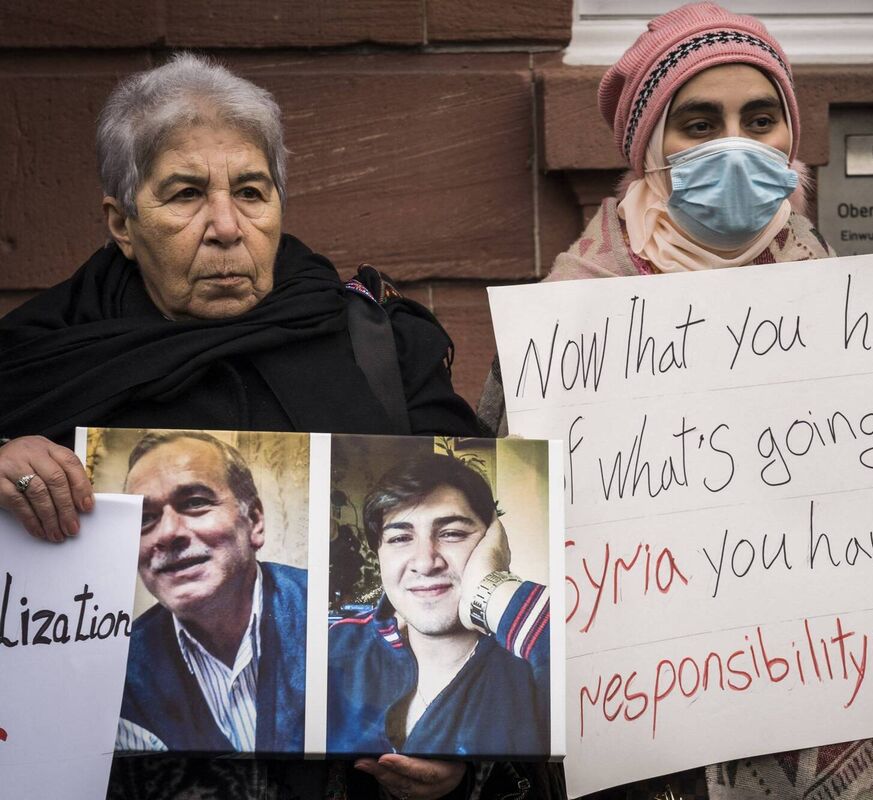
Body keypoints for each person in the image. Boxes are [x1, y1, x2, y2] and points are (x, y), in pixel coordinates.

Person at [477, 4, 873, 799]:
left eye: (761, 118)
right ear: (649, 146)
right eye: (697, 123)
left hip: (866, 720)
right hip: (664, 748)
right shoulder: (563, 331)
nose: (737, 144)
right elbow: (512, 549)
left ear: (791, 135)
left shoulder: (868, 313)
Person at [0, 53, 519, 800]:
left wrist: (459, 751)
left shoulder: (373, 342)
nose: (225, 227)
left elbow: (465, 585)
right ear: (121, 220)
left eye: (251, 192)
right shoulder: (39, 360)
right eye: (184, 195)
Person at [327, 451, 549, 757]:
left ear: (492, 543)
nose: (425, 562)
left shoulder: (530, 658)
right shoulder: (337, 643)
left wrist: (491, 589)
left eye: (452, 533)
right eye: (400, 539)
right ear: (379, 553)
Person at [116, 431, 306, 754]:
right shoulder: (118, 664)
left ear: (255, 522)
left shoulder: (328, 617)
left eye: (194, 503)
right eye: (146, 518)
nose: (168, 533)